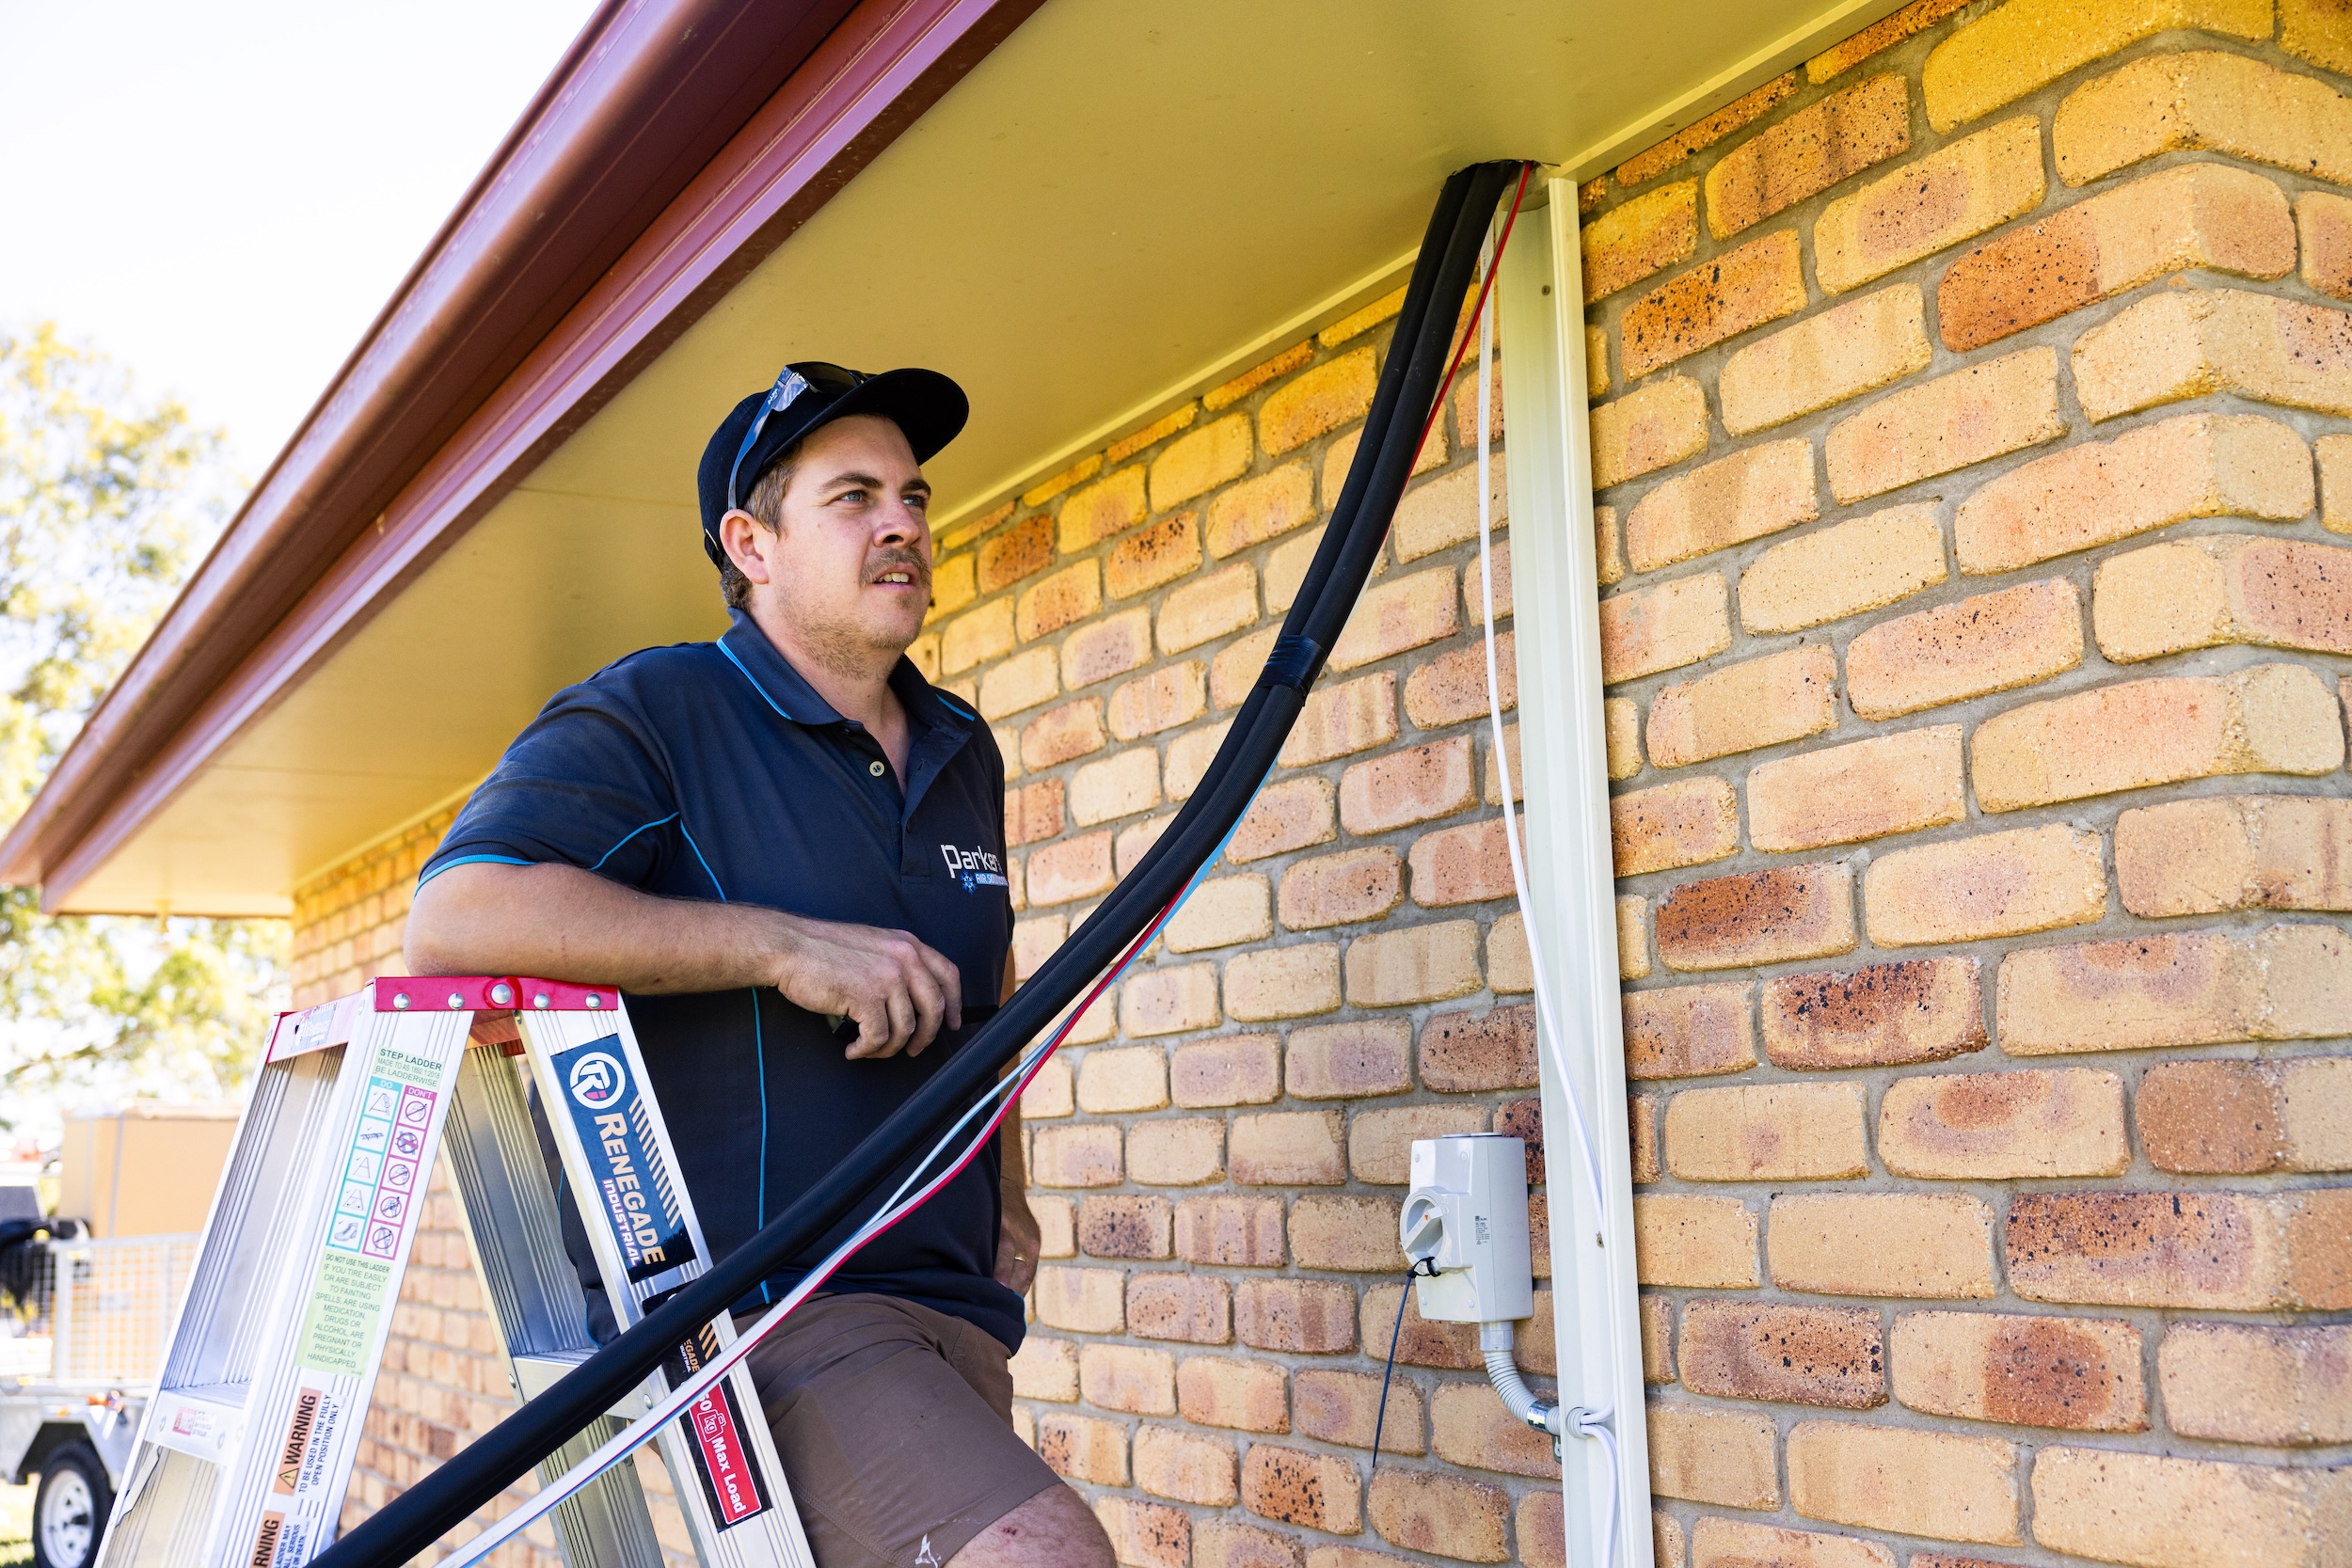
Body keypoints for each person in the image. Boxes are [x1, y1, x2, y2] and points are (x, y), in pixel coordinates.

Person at [404, 362, 1115, 1568]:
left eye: (914, 495)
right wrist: (780, 943)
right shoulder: (664, 708)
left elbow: (983, 1000)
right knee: (1037, 1550)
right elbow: (455, 917)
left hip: (951, 1303)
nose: (904, 524)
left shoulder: (959, 744)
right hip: (768, 1300)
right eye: (853, 497)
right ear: (752, 542)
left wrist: (1011, 1188)